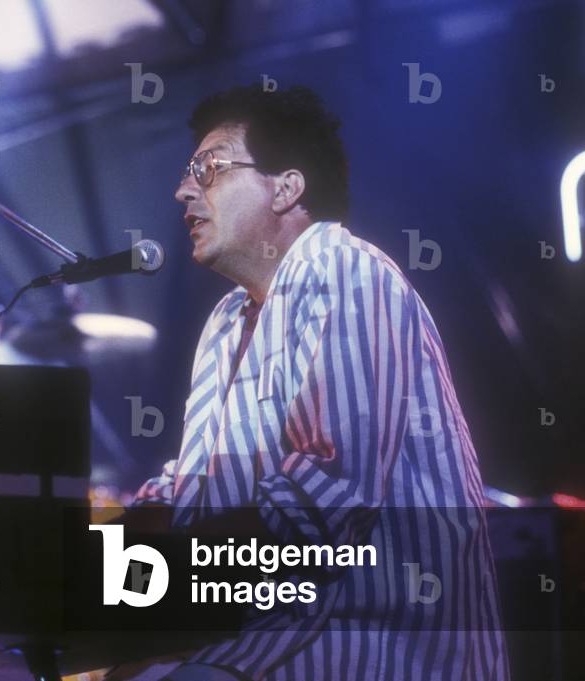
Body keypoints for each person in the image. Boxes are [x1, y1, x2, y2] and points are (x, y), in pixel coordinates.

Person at [121, 85, 509, 680]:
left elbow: (325, 502)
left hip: (372, 648)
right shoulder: (228, 320)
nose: (184, 189)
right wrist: (93, 560)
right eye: (188, 171)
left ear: (286, 188)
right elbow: (192, 493)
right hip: (267, 639)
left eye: (211, 167)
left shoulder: (342, 268)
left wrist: (132, 579)